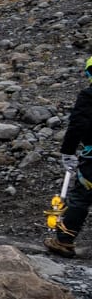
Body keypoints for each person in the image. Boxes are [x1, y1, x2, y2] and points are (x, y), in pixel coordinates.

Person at [52, 56, 92, 256]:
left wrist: (68, 151)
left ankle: (64, 241)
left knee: (81, 198)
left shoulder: (88, 95)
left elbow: (77, 125)